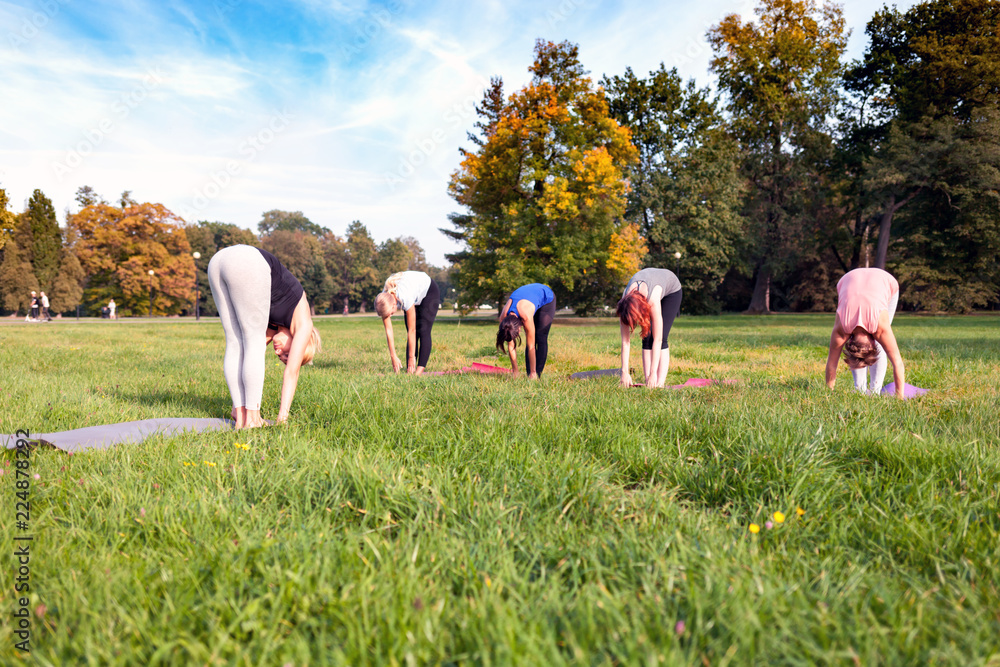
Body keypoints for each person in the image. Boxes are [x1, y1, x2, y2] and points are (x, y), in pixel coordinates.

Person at [208, 245, 321, 428]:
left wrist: (238, 405)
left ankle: (241, 414)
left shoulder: (275, 325)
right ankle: (252, 420)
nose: (280, 354)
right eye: (287, 354)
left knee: (236, 343)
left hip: (218, 261)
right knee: (250, 343)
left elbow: (248, 353)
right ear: (300, 342)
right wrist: (282, 419)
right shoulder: (304, 324)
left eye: (283, 358)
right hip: (246, 260)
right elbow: (292, 373)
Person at [825, 267, 905, 398]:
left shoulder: (881, 328)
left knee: (882, 345)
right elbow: (831, 365)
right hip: (848, 280)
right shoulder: (841, 330)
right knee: (866, 352)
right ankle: (860, 390)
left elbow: (898, 362)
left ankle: (875, 390)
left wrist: (900, 397)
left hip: (885, 280)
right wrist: (828, 395)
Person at [617, 268, 683, 388]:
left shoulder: (652, 299)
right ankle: (649, 383)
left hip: (671, 291)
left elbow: (658, 339)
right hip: (647, 286)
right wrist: (624, 372)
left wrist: (654, 374)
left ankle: (659, 384)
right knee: (646, 337)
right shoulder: (624, 304)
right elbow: (625, 342)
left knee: (661, 338)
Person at [375, 271, 439, 375]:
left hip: (429, 290)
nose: (390, 316)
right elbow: (388, 330)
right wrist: (393, 356)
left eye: (390, 313)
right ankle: (410, 372)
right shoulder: (383, 300)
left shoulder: (405, 297)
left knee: (422, 330)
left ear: (393, 305)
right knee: (412, 334)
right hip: (413, 291)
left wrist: (411, 357)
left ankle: (418, 373)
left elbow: (412, 330)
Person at [495, 283, 556, 378]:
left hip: (545, 296)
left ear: (519, 327)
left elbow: (531, 345)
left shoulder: (525, 316)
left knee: (540, 336)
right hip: (529, 296)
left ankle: (536, 375)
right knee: (532, 338)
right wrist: (515, 371)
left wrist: (533, 372)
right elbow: (511, 345)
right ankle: (529, 374)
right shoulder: (504, 320)